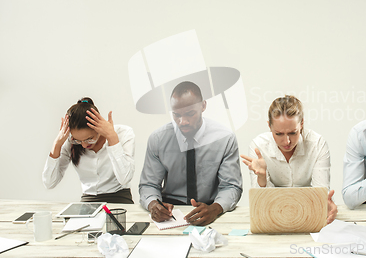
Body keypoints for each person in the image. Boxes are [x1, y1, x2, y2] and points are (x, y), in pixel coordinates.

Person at [139, 81, 243, 226]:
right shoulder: (158, 139)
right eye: (176, 115)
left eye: (190, 114)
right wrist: (153, 205)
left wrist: (214, 209)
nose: (183, 122)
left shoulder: (224, 138)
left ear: (203, 106)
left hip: (209, 209)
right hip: (170, 213)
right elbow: (149, 184)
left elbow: (231, 186)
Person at [241, 95, 338, 224]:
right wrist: (262, 178)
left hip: (309, 215)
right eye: (279, 134)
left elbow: (320, 194)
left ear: (302, 124)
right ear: (269, 126)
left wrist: (326, 205)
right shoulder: (258, 147)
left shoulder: (317, 144)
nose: (287, 141)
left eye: (293, 133)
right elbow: (260, 206)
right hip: (271, 216)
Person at [42, 97, 135, 204]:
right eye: (78, 140)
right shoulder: (70, 141)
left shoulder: (124, 133)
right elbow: (49, 183)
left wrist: (112, 137)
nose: (84, 145)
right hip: (88, 201)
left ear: (98, 127)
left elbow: (125, 178)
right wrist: (57, 144)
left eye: (89, 139)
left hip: (119, 198)